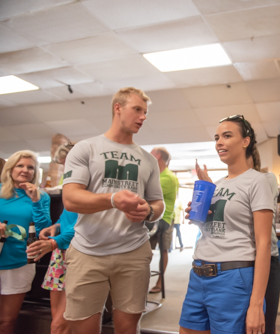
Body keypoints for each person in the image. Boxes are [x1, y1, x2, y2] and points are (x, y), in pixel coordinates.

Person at [62, 87, 165, 334]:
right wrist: (113, 200)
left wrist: (148, 211)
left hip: (133, 252)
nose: (143, 117)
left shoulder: (148, 160)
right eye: (137, 109)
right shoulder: (86, 149)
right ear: (118, 108)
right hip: (88, 251)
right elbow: (70, 198)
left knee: (129, 329)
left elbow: (158, 204)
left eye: (145, 112)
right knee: (83, 328)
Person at [181, 115, 274, 334]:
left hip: (233, 278)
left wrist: (256, 304)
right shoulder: (217, 185)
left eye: (227, 136)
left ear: (245, 141)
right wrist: (197, 214)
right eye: (217, 138)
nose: (219, 142)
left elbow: (264, 244)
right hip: (198, 275)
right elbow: (217, 230)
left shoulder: (257, 181)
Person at [195, 150, 280, 334]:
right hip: (230, 262)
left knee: (262, 323)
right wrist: (207, 197)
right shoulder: (220, 184)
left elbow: (259, 228)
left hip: (264, 255)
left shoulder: (264, 179)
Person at [25, 142, 78, 334]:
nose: (67, 167)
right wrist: (55, 226)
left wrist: (55, 241)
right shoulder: (69, 180)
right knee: (56, 317)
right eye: (65, 163)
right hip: (60, 253)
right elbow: (68, 216)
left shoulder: (93, 183)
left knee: (60, 324)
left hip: (77, 253)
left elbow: (84, 224)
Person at [0, 150, 52, 334]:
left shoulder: (42, 197)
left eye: (30, 167)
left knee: (7, 320)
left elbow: (43, 231)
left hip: (20, 262)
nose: (25, 170)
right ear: (10, 168)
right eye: (20, 165)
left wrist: (36, 200)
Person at [148, 147, 179, 294]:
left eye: (151, 154)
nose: (148, 156)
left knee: (163, 250)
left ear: (158, 156)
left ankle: (160, 282)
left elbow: (147, 194)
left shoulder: (167, 177)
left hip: (163, 219)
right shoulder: (156, 175)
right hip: (153, 218)